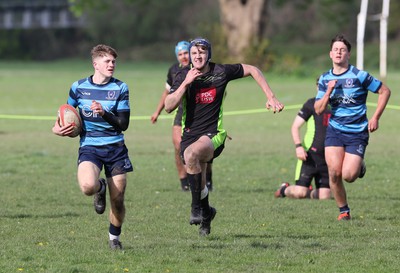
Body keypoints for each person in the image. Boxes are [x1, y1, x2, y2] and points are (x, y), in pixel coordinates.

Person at [164, 37, 284, 236]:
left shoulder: (221, 71)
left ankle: (195, 208)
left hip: (213, 134)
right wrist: (186, 83)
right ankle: (207, 212)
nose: (198, 56)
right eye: (194, 53)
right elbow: (168, 106)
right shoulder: (182, 75)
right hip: (190, 135)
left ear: (208, 54)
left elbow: (253, 69)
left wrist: (270, 96)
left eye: (202, 52)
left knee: (192, 155)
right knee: (198, 178)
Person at [52, 44, 133, 249]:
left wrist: (104, 113)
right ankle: (100, 187)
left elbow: (124, 124)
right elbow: (65, 112)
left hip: (115, 148)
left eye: (114, 61)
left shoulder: (120, 88)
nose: (112, 64)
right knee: (88, 186)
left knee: (118, 199)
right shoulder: (78, 87)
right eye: (107, 61)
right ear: (95, 64)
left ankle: (114, 239)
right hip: (90, 146)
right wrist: (57, 129)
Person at [314, 34, 391, 220]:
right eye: (335, 50)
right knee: (334, 172)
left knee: (349, 175)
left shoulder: (359, 76)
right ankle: (344, 211)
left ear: (348, 54)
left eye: (342, 50)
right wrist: (329, 91)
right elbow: (318, 109)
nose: (339, 52)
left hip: (357, 132)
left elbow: (384, 91)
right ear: (330, 54)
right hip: (335, 130)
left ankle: (359, 165)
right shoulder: (325, 79)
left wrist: (376, 117)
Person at [151, 41, 214, 192]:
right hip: (180, 111)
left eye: (186, 53)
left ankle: (207, 177)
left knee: (204, 148)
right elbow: (166, 94)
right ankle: (184, 180)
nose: (183, 57)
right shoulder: (173, 70)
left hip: (200, 112)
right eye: (180, 54)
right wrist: (157, 112)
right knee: (179, 146)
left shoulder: (204, 68)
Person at [275, 79, 331, 199]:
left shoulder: (337, 106)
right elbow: (295, 127)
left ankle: (310, 192)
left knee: (325, 196)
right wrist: (298, 147)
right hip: (310, 155)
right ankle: (284, 189)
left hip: (328, 157)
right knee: (300, 193)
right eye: (321, 86)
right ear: (317, 88)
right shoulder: (311, 104)